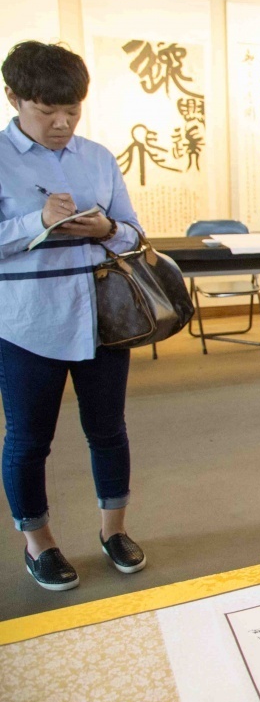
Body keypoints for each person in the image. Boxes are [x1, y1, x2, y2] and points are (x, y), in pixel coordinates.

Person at [0, 41, 147, 591]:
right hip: (25, 325)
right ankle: (39, 543)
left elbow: (134, 233)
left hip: (103, 320)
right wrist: (34, 222)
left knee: (108, 431)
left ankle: (114, 531)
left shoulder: (98, 157)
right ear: (13, 97)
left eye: (73, 111)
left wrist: (107, 230)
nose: (62, 123)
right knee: (28, 440)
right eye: (47, 111)